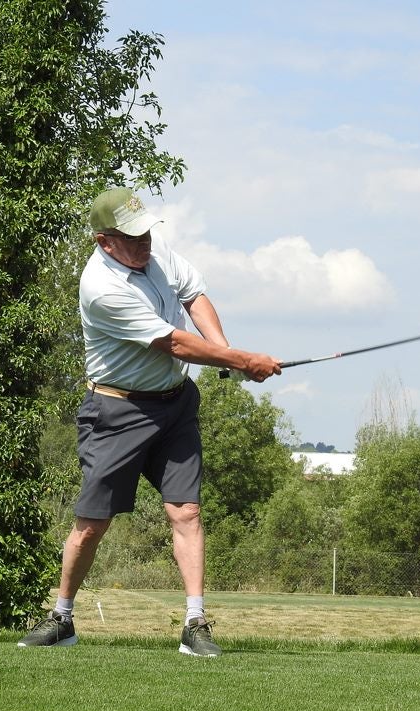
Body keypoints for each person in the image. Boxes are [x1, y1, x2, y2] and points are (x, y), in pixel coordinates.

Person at [17, 187, 281, 656]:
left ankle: (195, 623)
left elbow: (194, 295)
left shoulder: (156, 254)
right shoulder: (101, 289)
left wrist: (224, 356)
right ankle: (62, 618)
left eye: (146, 234)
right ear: (104, 241)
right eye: (131, 238)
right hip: (116, 413)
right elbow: (174, 343)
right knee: (92, 524)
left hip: (175, 404)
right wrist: (241, 360)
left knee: (187, 511)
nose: (144, 244)